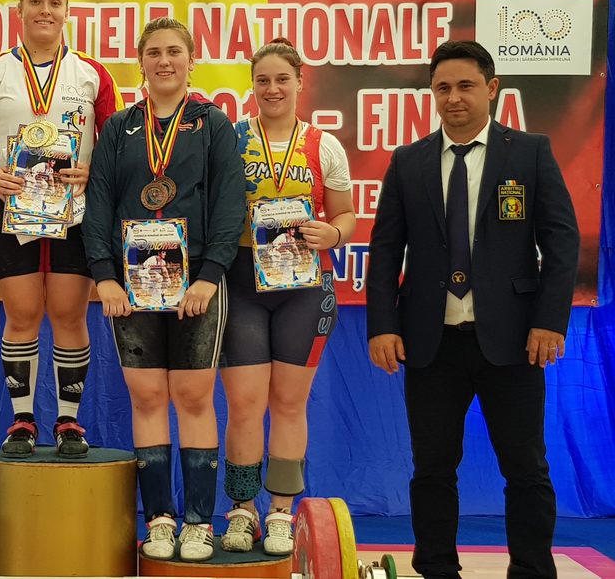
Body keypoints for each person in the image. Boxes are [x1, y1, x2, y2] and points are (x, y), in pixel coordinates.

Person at [366, 40, 579, 579]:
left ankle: (532, 570)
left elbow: (561, 244)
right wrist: (383, 327)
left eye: (465, 86)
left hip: (514, 340)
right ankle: (437, 569)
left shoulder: (530, 152)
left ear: (492, 88)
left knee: (526, 468)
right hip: (430, 342)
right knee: (432, 469)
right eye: (442, 88)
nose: (453, 97)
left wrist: (549, 321)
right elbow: (386, 251)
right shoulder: (408, 161)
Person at [83, 17, 245, 562]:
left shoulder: (213, 123)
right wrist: (104, 275)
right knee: (148, 397)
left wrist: (210, 275)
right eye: (154, 52)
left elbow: (229, 203)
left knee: (194, 397)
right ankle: (158, 518)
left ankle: (198, 522)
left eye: (175, 51)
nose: (164, 61)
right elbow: (99, 203)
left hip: (196, 283)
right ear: (141, 63)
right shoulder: (118, 127)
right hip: (131, 285)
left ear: (191, 61)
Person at [0, 0, 122, 457]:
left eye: (55, 2)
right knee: (22, 312)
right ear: (19, 11)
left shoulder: (92, 74)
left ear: (68, 12)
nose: (46, 10)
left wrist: (92, 170)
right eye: (36, 1)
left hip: (75, 211)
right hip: (12, 208)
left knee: (69, 312)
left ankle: (69, 422)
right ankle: (23, 420)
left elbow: (115, 146)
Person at [218, 39, 355, 554]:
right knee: (245, 404)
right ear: (251, 86)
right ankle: (241, 509)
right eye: (262, 80)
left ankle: (280, 511)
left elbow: (345, 214)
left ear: (300, 81)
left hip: (304, 286)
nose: (272, 89)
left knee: (290, 403)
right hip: (242, 282)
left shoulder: (324, 144)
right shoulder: (229, 138)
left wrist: (333, 234)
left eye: (282, 79)